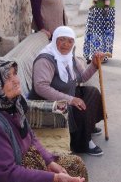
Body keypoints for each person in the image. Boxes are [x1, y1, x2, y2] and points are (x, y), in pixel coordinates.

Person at [0, 56, 86, 182]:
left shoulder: (11, 104)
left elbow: (30, 136)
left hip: (20, 162)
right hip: (3, 176)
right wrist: (54, 178)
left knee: (75, 165)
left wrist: (49, 162)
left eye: (14, 74)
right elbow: (6, 174)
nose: (16, 81)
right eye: (7, 78)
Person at [29, 26, 105, 156]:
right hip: (48, 102)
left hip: (67, 93)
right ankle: (82, 143)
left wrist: (94, 65)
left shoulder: (69, 56)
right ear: (54, 40)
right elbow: (41, 87)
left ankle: (88, 126)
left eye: (70, 41)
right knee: (79, 108)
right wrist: (71, 99)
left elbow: (82, 77)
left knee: (92, 92)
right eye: (61, 40)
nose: (66, 44)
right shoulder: (45, 59)